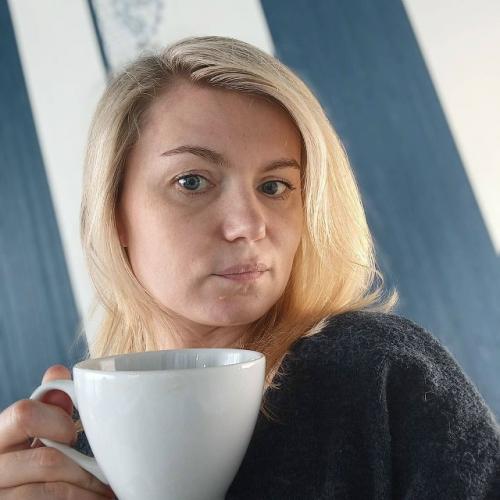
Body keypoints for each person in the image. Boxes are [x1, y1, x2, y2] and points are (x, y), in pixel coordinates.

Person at [0, 35, 499, 499]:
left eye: (275, 186)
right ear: (115, 216)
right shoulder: (73, 457)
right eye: (192, 181)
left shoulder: (380, 372)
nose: (247, 225)